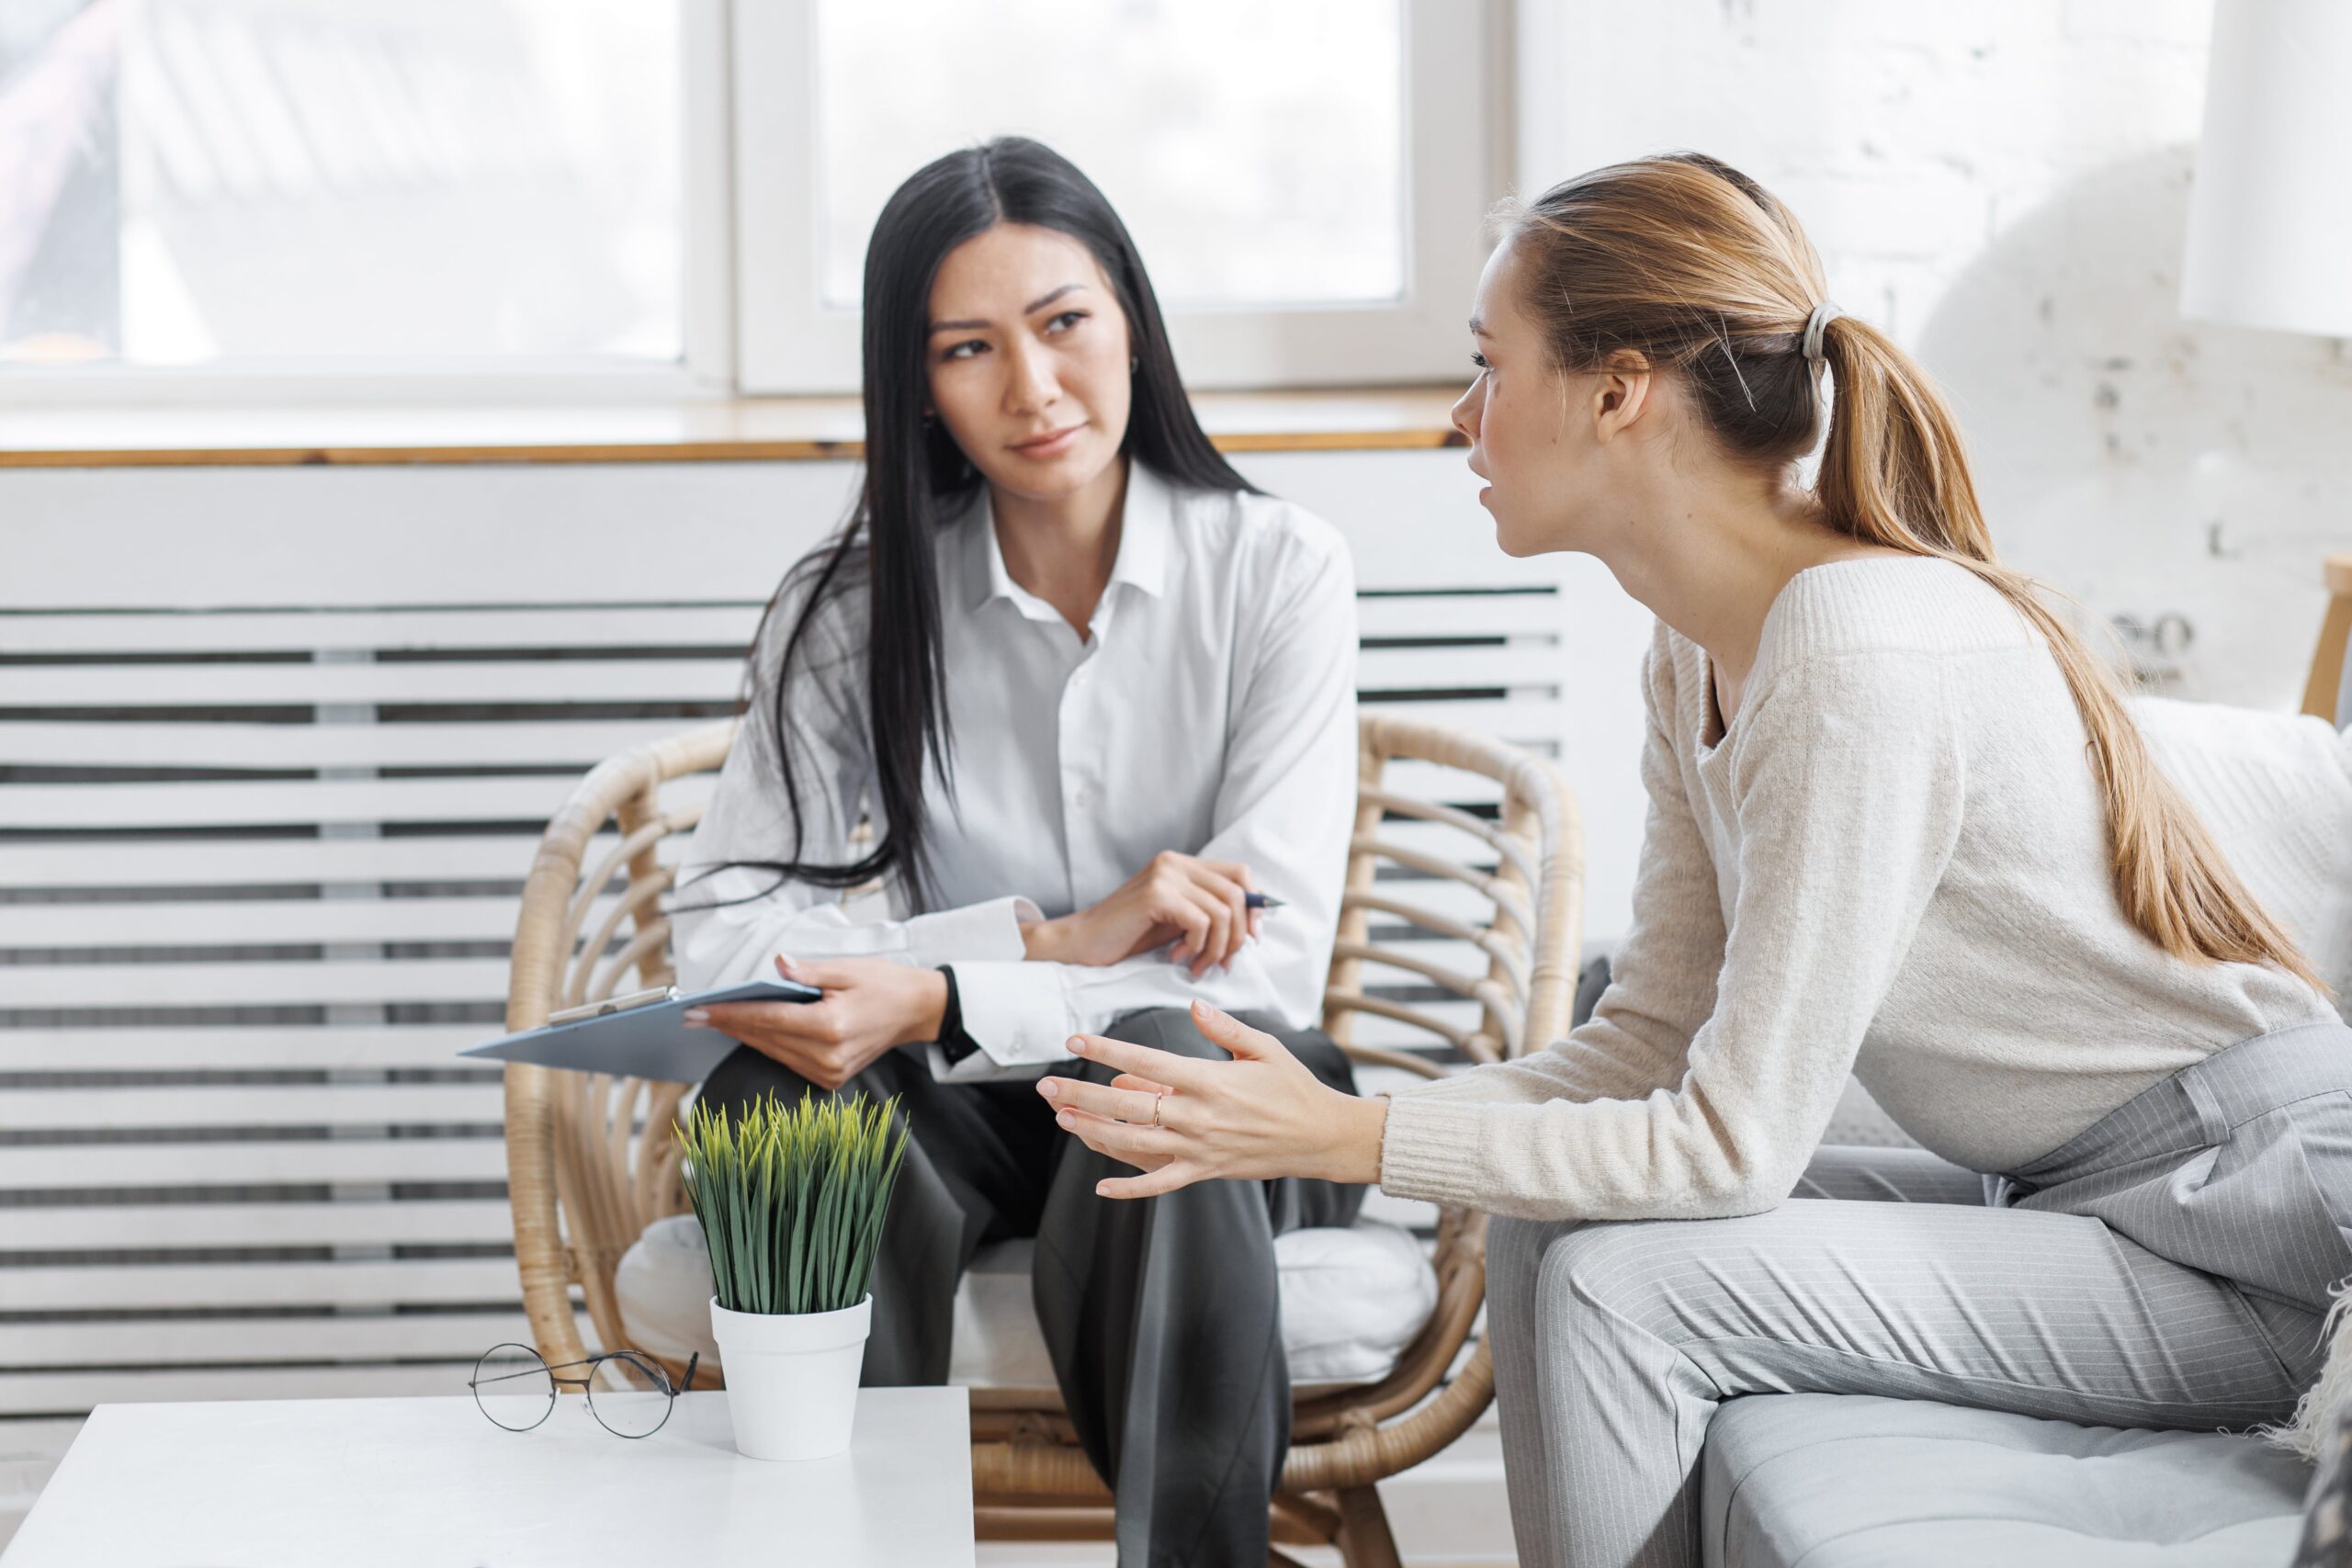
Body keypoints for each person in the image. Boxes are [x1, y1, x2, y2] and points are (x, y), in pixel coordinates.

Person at [1038, 152, 2352, 1568]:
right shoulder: (1696, 649)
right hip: (2075, 1201)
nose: (1463, 418)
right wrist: (1325, 1141)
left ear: (1617, 393)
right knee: (1556, 1231)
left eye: (1491, 366)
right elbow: (1652, 1040)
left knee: (1627, 1287)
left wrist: (1354, 1135)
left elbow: (1731, 1145)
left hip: (2249, 1244)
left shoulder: (1855, 650)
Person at [668, 137, 1362, 1568]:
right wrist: (1038, 946)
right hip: (973, 1096)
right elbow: (722, 936)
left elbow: (1264, 968)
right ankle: (838, 1546)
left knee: (1166, 1055)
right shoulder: (852, 609)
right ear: (915, 383)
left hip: (1241, 1100)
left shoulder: (1280, 569)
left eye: (1063, 325)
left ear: (1130, 323)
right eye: (969, 349)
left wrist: (937, 992)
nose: (1033, 389)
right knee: (778, 1090)